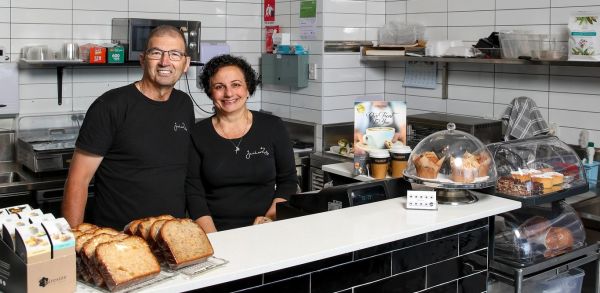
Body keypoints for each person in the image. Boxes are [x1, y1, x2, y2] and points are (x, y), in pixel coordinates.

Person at [62, 25, 194, 229]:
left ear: (186, 64)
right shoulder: (110, 106)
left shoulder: (184, 104)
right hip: (118, 240)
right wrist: (71, 246)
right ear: (142, 59)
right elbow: (78, 181)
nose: (165, 62)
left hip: (168, 237)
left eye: (175, 54)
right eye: (156, 53)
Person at [186, 54, 297, 232]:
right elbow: (194, 194)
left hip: (266, 228)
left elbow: (288, 182)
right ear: (210, 91)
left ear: (248, 88)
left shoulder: (273, 126)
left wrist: (268, 220)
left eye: (236, 85)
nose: (229, 93)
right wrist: (215, 239)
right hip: (217, 231)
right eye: (219, 87)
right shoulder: (198, 134)